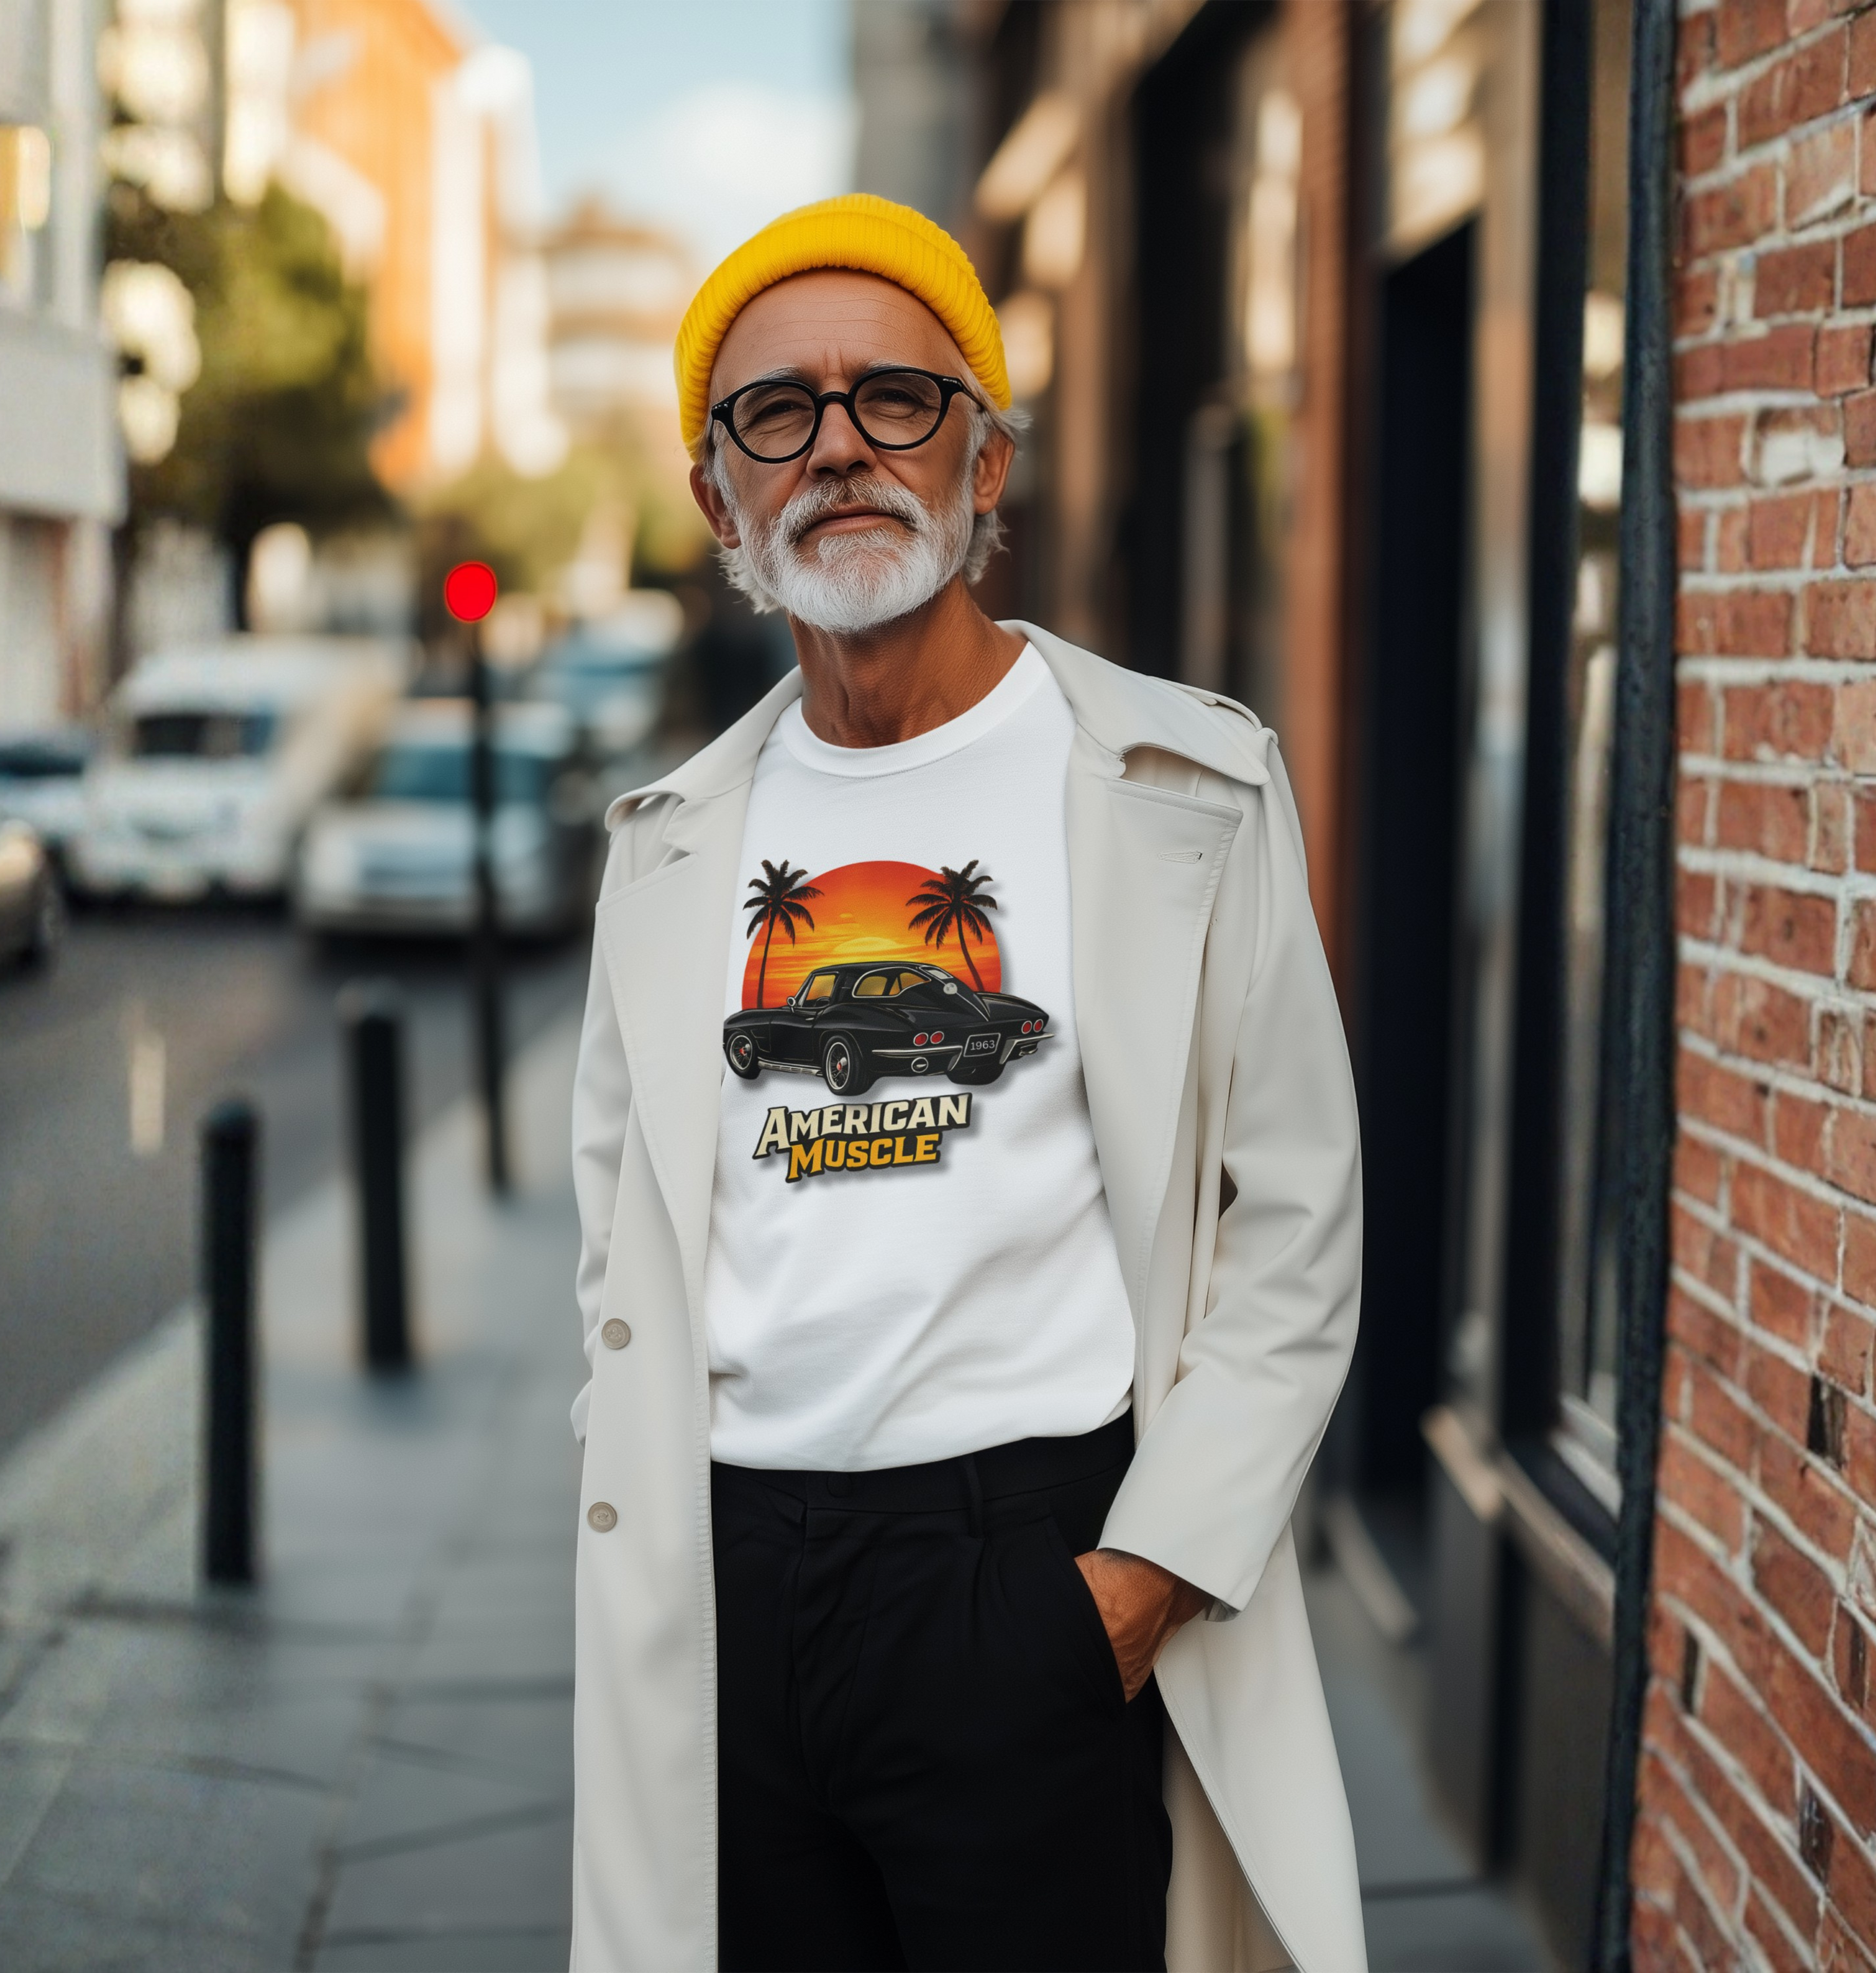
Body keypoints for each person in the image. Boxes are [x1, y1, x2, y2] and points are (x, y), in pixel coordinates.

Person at [569, 193, 1364, 1973]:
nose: (839, 446)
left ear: (985, 462)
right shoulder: (674, 843)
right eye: (777, 412)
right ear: (721, 502)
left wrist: (1127, 1596)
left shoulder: (1183, 785)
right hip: (729, 1591)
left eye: (898, 400)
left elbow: (1298, 1232)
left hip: (1029, 1564)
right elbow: (621, 1238)